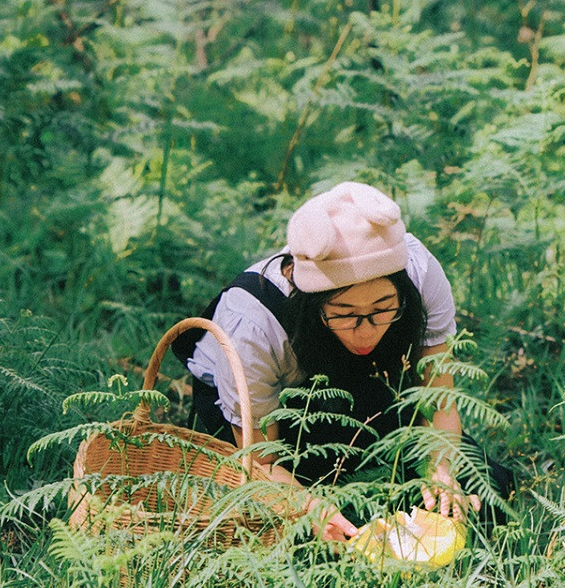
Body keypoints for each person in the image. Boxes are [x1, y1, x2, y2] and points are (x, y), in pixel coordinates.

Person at [182, 182, 508, 540]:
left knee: (484, 490)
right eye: (344, 314)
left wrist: (441, 467)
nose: (366, 332)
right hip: (261, 419)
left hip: (358, 386)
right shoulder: (253, 324)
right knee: (321, 528)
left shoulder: (420, 272)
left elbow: (438, 400)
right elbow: (261, 462)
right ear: (312, 305)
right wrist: (309, 508)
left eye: (383, 309)